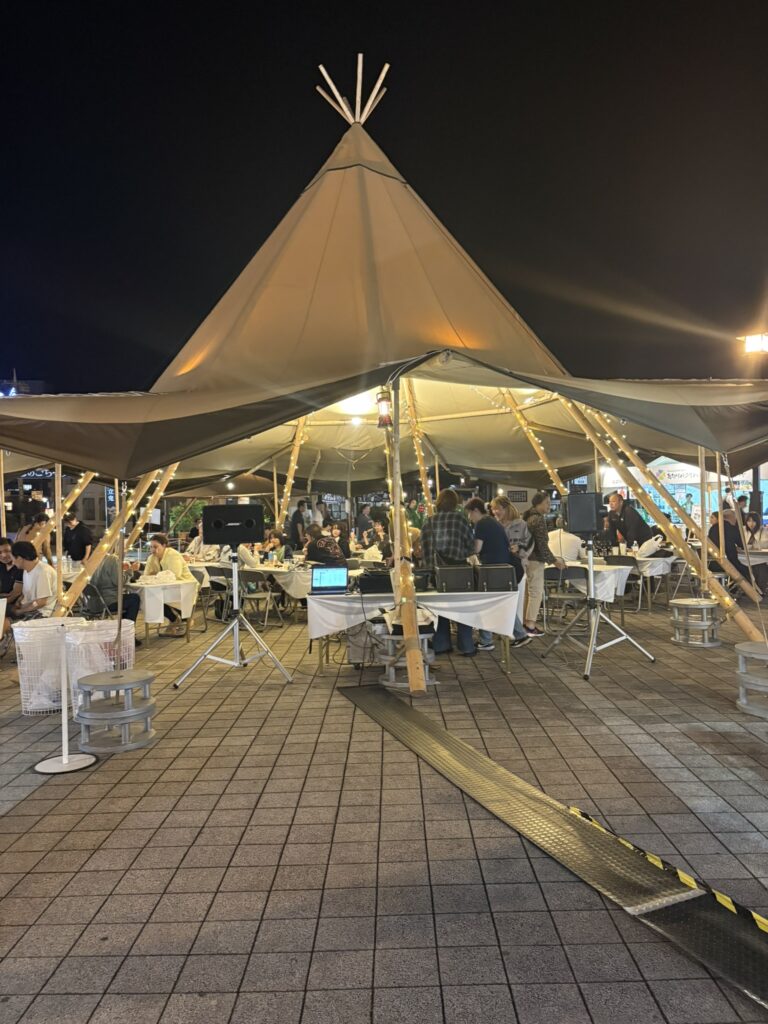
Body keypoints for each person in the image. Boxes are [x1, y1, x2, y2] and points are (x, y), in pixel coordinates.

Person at [421, 489, 476, 656]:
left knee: (440, 607)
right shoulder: (460, 520)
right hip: (459, 571)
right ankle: (466, 646)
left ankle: (441, 643)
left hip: (437, 572)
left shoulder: (429, 522)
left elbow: (424, 550)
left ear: (438, 503)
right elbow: (471, 546)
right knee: (463, 607)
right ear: (455, 503)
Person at [465, 497, 525, 652]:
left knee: (486, 603)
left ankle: (486, 640)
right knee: (501, 603)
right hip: (503, 567)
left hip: (493, 568)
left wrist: (466, 548)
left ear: (476, 511)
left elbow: (477, 548)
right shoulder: (492, 522)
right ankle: (520, 634)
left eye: (470, 514)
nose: (469, 518)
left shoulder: (481, 524)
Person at [522, 492, 566, 636]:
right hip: (535, 560)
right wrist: (554, 561)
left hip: (527, 559)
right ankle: (530, 625)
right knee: (536, 593)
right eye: (547, 502)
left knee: (529, 593)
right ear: (538, 503)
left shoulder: (529, 517)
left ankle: (525, 623)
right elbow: (542, 544)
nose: (549, 505)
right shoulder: (538, 519)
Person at [142, 533, 196, 636]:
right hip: (164, 587)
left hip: (184, 586)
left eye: (155, 547)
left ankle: (185, 618)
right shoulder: (151, 558)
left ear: (164, 545)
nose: (153, 550)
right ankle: (174, 619)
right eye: (151, 547)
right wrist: (158, 575)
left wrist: (156, 575)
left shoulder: (173, 555)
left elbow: (174, 575)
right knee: (150, 597)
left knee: (156, 597)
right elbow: (146, 575)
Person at [8, 540, 57, 625]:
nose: (13, 562)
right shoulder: (27, 569)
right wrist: (19, 601)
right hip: (29, 607)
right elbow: (27, 592)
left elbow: (41, 602)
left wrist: (21, 611)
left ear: (19, 558)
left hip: (41, 612)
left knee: (8, 625)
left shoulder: (43, 572)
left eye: (13, 559)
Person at [90, 554, 141, 632]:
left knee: (127, 598)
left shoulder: (96, 559)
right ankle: (128, 631)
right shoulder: (112, 559)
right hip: (108, 602)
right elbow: (119, 581)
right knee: (134, 598)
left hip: (94, 603)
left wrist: (120, 569)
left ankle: (124, 629)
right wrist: (131, 570)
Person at [707, 509, 751, 582]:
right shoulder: (731, 528)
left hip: (713, 563)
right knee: (750, 569)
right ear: (731, 518)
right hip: (729, 563)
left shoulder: (712, 529)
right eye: (735, 518)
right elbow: (742, 544)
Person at [0, 537, 23, 611]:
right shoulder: (1, 565)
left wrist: (1, 604)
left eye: (7, 551)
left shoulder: (20, 567)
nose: (4, 555)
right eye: (0, 552)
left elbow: (15, 593)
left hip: (14, 606)